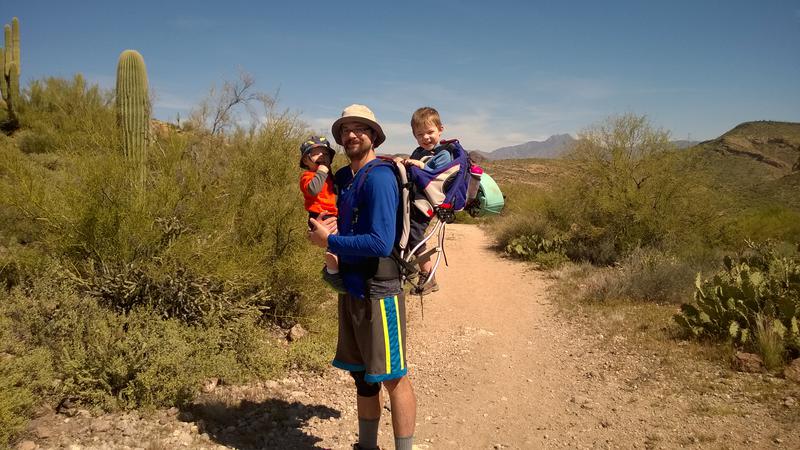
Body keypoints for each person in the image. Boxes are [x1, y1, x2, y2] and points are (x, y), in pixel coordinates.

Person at [308, 104, 417, 450]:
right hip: (353, 289)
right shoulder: (346, 178)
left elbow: (380, 242)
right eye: (345, 129)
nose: (351, 134)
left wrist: (330, 241)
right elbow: (319, 193)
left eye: (360, 128)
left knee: (393, 377)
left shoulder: (381, 178)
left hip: (380, 290)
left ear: (374, 136)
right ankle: (367, 446)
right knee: (364, 378)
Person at [398, 107, 452, 295]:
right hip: (413, 200)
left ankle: (428, 276)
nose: (426, 138)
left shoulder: (443, 154)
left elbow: (437, 174)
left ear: (440, 130)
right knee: (404, 230)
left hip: (426, 203)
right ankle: (408, 268)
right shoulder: (418, 151)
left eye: (430, 132)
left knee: (415, 235)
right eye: (420, 134)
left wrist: (419, 165)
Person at [298, 135, 346, 293]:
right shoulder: (308, 177)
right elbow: (313, 189)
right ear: (306, 160)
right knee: (334, 244)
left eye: (325, 154)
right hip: (320, 216)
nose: (322, 156)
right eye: (316, 153)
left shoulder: (329, 178)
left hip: (332, 215)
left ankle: (337, 269)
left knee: (340, 242)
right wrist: (322, 171)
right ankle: (332, 273)